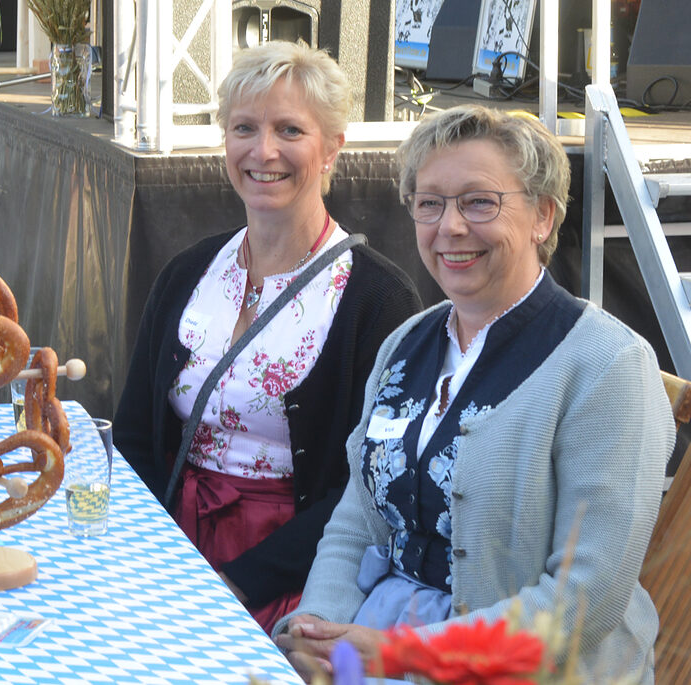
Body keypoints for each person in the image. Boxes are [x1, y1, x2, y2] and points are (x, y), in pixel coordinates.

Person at [276, 106, 673, 682]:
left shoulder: (609, 367)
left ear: (543, 215)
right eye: (429, 203)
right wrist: (317, 629)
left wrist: (399, 653)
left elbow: (583, 603)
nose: (450, 227)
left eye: (479, 201)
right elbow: (357, 518)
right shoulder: (406, 343)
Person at [114, 42, 421, 631]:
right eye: (244, 128)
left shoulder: (379, 299)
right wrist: (150, 559)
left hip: (296, 573)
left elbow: (371, 489)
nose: (264, 151)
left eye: (289, 130)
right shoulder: (189, 272)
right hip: (170, 551)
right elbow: (133, 436)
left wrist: (238, 582)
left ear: (333, 148)